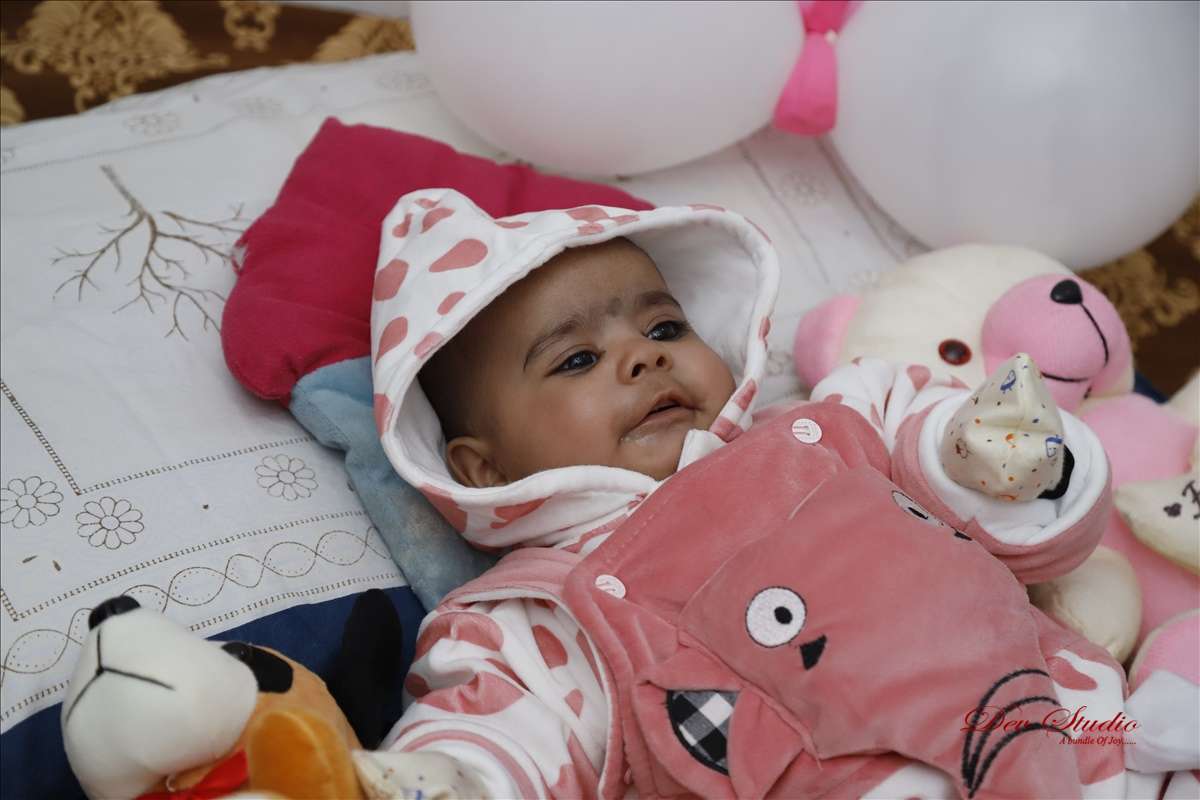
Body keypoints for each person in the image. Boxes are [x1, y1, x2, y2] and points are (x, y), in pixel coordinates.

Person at [364, 190, 1123, 798]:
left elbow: (967, 468)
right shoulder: (542, 612)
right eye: (578, 360)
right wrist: (459, 774)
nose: (642, 358)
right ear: (484, 469)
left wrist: (991, 459)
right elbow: (502, 729)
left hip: (1074, 733)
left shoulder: (834, 422)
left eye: (665, 328)